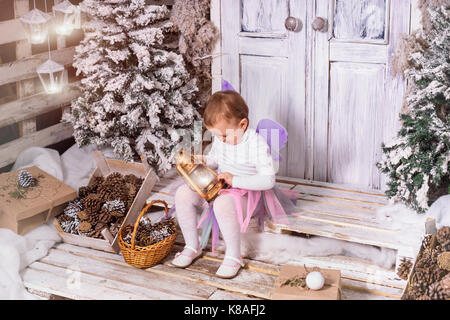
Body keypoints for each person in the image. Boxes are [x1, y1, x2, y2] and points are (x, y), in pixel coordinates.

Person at [171, 90, 295, 279]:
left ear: (243, 125)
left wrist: (234, 180)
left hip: (249, 195)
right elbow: (216, 159)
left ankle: (233, 255)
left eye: (223, 136)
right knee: (182, 193)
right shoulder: (224, 136)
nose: (220, 140)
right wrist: (203, 160)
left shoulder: (256, 144)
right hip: (222, 187)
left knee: (222, 203)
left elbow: (268, 180)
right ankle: (192, 245)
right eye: (216, 136)